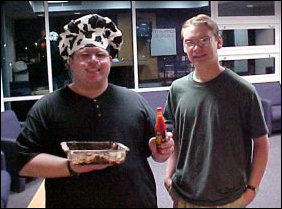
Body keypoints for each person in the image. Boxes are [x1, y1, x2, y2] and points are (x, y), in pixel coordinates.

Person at [16, 14, 174, 208]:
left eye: (100, 55)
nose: (93, 61)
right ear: (70, 61)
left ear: (109, 60)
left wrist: (162, 150)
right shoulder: (47, 107)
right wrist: (70, 167)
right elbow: (23, 162)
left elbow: (158, 152)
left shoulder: (134, 101)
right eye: (84, 55)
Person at [164, 14, 269, 208]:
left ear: (218, 42)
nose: (197, 48)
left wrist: (251, 190)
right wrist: (168, 177)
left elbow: (261, 144)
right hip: (184, 195)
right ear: (184, 47)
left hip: (229, 198)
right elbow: (175, 138)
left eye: (204, 40)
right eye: (190, 42)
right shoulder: (177, 89)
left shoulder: (243, 91)